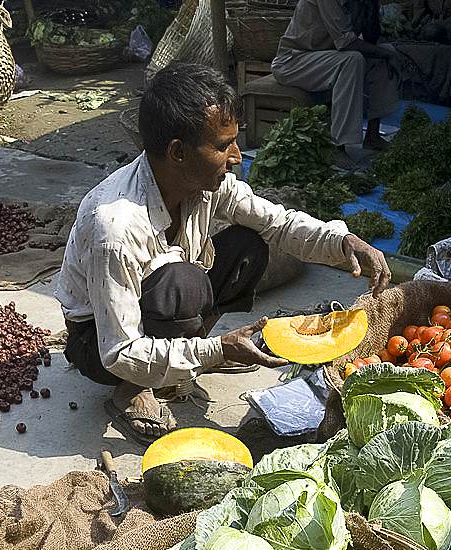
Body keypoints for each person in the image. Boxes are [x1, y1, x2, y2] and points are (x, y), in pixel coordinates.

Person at [56, 61, 391, 444]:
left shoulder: (206, 183)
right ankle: (132, 391)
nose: (237, 156)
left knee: (250, 245)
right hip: (98, 341)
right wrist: (216, 350)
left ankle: (188, 357)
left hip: (159, 299)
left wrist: (342, 242)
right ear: (178, 152)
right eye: (221, 145)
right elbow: (118, 350)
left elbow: (277, 223)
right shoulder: (114, 227)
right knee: (184, 282)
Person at [271, 0, 400, 166]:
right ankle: (338, 146)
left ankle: (373, 135)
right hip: (293, 61)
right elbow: (345, 42)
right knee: (353, 60)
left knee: (385, 53)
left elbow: (371, 39)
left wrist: (370, 7)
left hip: (327, 58)